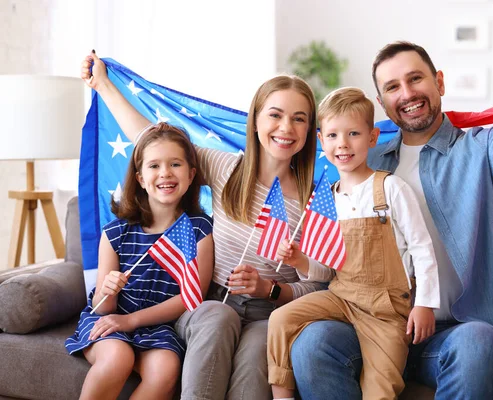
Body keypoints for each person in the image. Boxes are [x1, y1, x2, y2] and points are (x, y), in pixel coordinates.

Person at [291, 41, 493, 399]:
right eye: (392, 87)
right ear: (381, 103)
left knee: (478, 343)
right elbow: (299, 167)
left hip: (450, 332)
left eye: (415, 79)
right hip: (371, 323)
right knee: (312, 342)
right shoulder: (364, 160)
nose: (407, 94)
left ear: (439, 82)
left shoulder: (480, 152)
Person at [80, 51, 334, 400]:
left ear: (311, 130)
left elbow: (319, 284)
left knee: (255, 360)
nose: (286, 128)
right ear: (256, 120)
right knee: (217, 316)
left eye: (299, 119)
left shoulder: (316, 202)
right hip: (212, 304)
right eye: (275, 115)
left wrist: (269, 289)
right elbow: (154, 144)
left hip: (269, 314)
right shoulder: (226, 168)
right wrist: (104, 85)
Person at [267, 87, 440, 400]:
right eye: (332, 135)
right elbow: (327, 267)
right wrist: (299, 261)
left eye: (353, 134)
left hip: (385, 310)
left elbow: (422, 248)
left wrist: (425, 303)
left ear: (372, 138)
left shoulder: (390, 188)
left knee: (381, 389)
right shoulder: (325, 199)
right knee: (280, 318)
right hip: (342, 297)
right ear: (321, 141)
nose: (342, 144)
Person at [65, 123, 214, 400]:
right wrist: (109, 290)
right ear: (141, 178)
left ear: (192, 174)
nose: (165, 173)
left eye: (175, 164)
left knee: (165, 368)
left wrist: (131, 321)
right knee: (117, 358)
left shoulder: (200, 230)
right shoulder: (116, 233)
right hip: (110, 319)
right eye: (154, 166)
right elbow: (103, 307)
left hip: (159, 327)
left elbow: (191, 297)